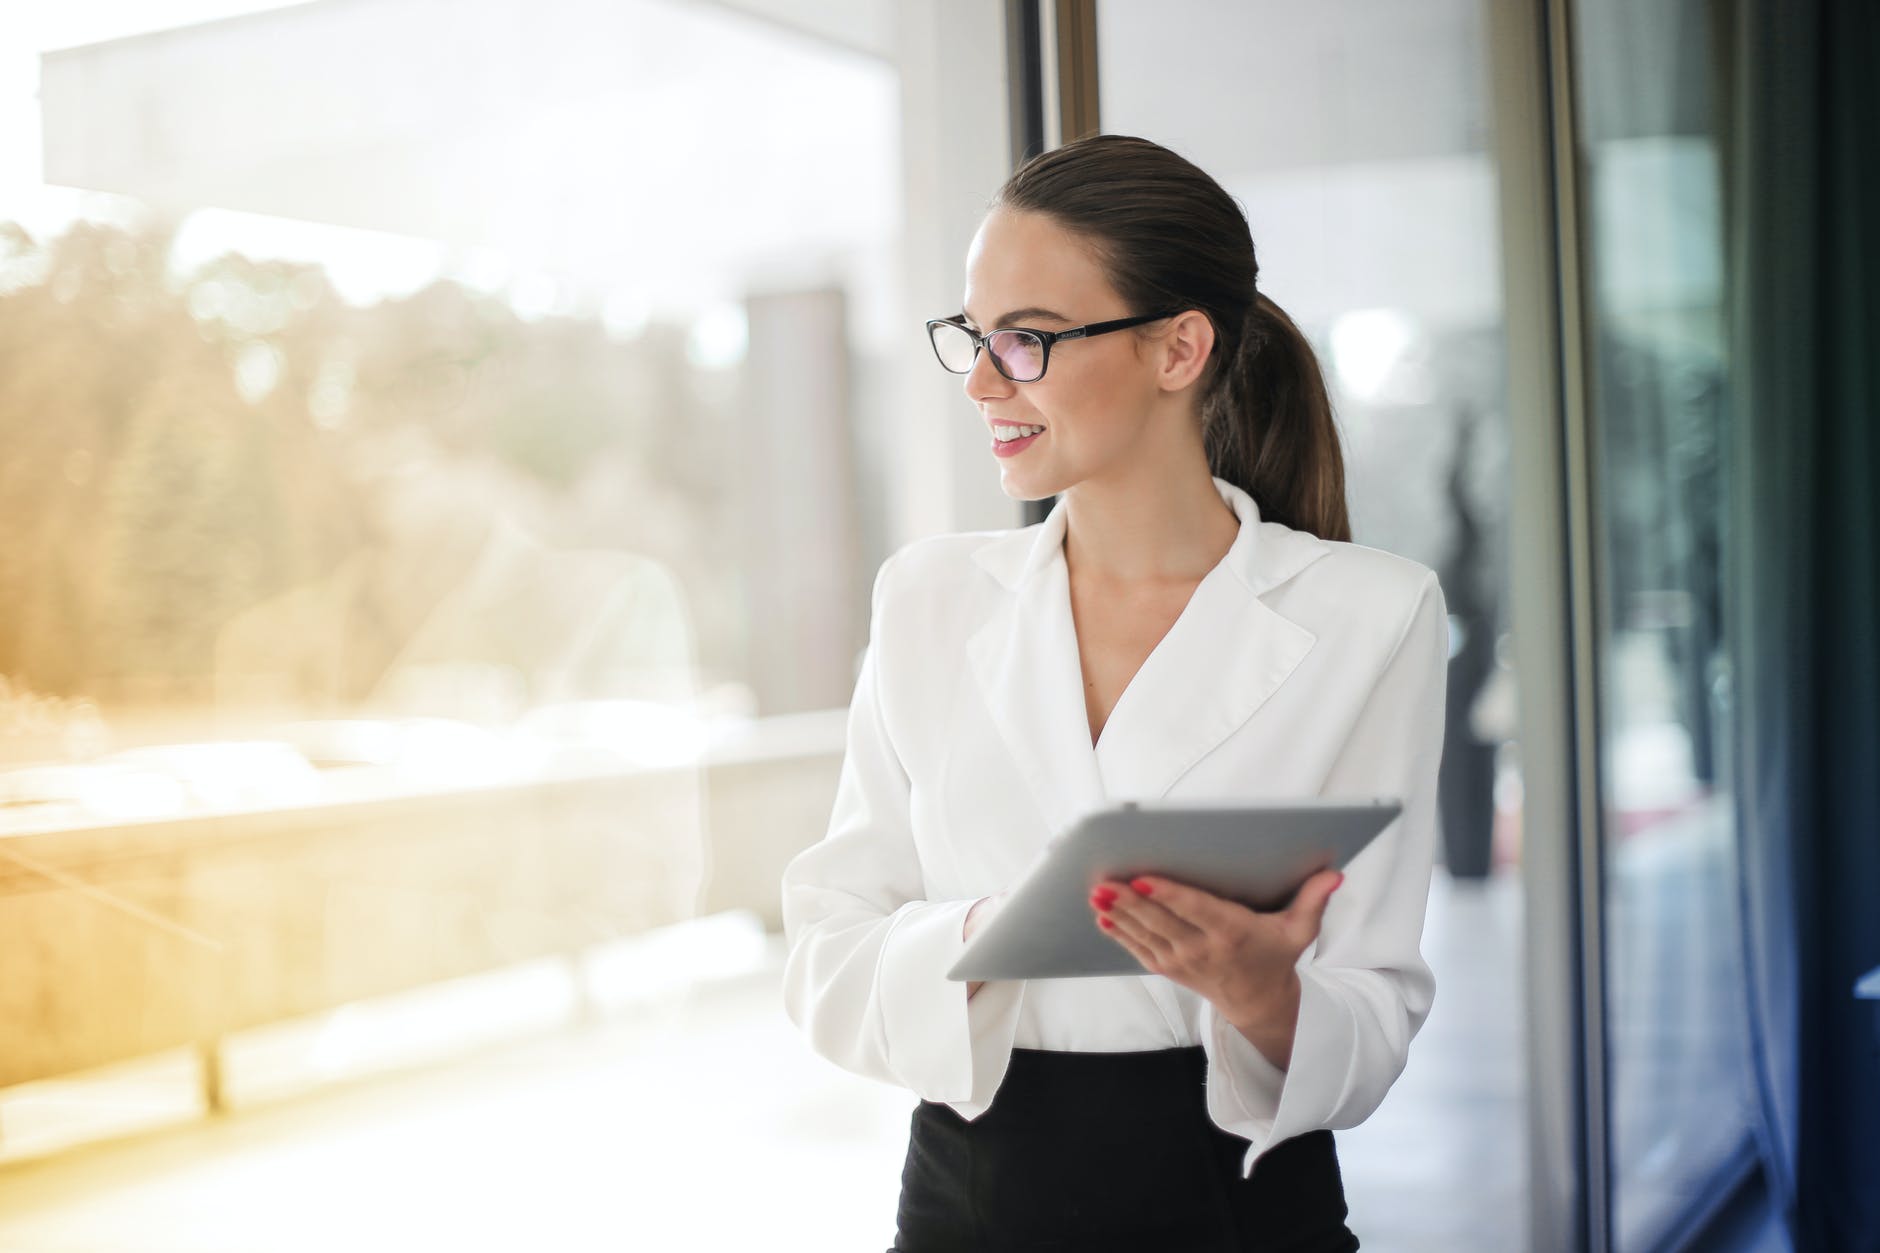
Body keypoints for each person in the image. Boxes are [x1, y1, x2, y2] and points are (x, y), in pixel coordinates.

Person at [780, 134, 1449, 1251]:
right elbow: (824, 954)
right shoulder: (928, 598)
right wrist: (998, 931)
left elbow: (1375, 1006)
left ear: (1178, 346)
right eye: (974, 335)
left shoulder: (1370, 614)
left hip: (1233, 1204)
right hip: (968, 1202)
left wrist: (1259, 991)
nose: (985, 380)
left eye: (1027, 339)